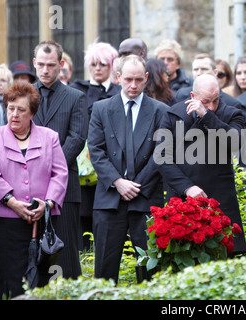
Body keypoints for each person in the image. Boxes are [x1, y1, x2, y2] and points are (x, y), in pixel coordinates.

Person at [0, 81, 68, 300]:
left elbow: (60, 174)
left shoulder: (50, 137)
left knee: (39, 280)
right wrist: (12, 202)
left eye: (21, 110)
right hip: (4, 222)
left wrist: (47, 204)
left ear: (32, 113)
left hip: (41, 221)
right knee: (3, 278)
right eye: (10, 108)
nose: (14, 114)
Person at [88, 54, 168, 283]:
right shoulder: (101, 109)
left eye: (138, 80)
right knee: (104, 268)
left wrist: (136, 186)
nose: (133, 86)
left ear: (146, 78)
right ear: (118, 77)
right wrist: (117, 182)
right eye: (128, 79)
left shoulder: (159, 111)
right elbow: (96, 149)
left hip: (145, 195)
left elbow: (161, 153)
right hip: (109, 197)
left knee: (149, 268)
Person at [155, 74, 246, 254]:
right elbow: (162, 157)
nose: (212, 107)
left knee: (224, 258)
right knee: (183, 258)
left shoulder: (231, 113)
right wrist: (187, 187)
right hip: (183, 197)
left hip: (220, 197)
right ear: (192, 96)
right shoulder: (173, 114)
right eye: (205, 102)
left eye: (216, 100)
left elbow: (235, 143)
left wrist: (206, 115)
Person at [33, 40, 88, 280]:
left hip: (65, 185)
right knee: (33, 251)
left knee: (65, 253)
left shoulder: (76, 97)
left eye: (51, 65)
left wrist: (50, 169)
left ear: (61, 64)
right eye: (41, 65)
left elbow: (77, 138)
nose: (46, 70)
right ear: (34, 64)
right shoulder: (23, 96)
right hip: (28, 185)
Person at [70, 41, 121, 251]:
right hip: (84, 162)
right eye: (93, 64)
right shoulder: (76, 90)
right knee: (84, 215)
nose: (98, 68)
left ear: (111, 66)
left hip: (114, 161)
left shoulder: (120, 92)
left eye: (103, 64)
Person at [174, 53, 242, 109]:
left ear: (215, 73)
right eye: (195, 69)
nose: (199, 73)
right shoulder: (181, 95)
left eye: (204, 69)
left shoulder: (231, 103)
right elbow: (177, 122)